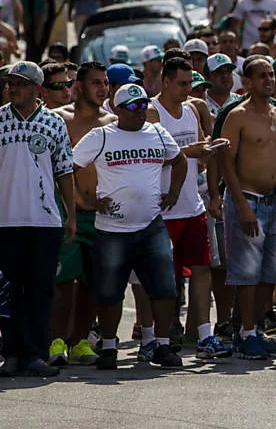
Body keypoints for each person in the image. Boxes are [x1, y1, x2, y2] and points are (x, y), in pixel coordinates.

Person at [72, 83, 187, 370]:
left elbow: (180, 161)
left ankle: (162, 344)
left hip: (151, 226)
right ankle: (109, 347)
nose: (140, 111)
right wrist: (84, 202)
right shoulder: (101, 136)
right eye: (133, 106)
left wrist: (173, 193)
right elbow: (67, 166)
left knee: (165, 288)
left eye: (143, 105)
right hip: (112, 229)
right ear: (118, 109)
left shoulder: (158, 133)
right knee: (110, 291)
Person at [218, 56, 276, 360]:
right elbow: (226, 163)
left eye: (271, 74)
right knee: (247, 274)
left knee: (270, 273)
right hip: (247, 201)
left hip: (271, 203)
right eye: (261, 75)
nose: (268, 79)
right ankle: (246, 332)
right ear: (248, 82)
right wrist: (242, 206)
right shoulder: (236, 116)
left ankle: (258, 331)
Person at [151, 57, 231, 360]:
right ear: (166, 81)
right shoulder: (151, 111)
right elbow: (150, 154)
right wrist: (189, 151)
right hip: (162, 208)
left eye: (190, 83)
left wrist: (213, 192)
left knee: (202, 270)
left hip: (191, 206)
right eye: (182, 84)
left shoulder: (194, 109)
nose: (188, 89)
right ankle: (160, 335)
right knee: (164, 278)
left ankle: (204, 336)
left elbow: (203, 155)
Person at [0, 62, 76, 377]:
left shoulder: (54, 123)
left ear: (36, 88)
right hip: (5, 221)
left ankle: (35, 353)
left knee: (40, 289)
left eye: (19, 83)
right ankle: (12, 353)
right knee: (7, 290)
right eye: (10, 83)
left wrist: (70, 214)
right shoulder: (0, 119)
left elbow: (64, 170)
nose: (12, 88)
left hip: (44, 222)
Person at [48, 62, 114, 368]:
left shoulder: (112, 122)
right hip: (66, 213)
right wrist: (74, 204)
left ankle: (79, 341)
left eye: (105, 83)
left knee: (93, 282)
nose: (102, 88)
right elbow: (57, 168)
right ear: (79, 87)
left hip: (102, 216)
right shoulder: (59, 120)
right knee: (64, 281)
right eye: (96, 83)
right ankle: (55, 341)